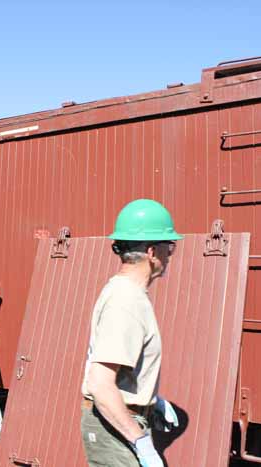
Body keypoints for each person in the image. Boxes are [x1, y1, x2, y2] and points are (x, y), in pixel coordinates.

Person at [81, 199, 182, 467]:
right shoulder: (126, 301)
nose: (170, 254)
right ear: (152, 251)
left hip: (121, 420)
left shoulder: (125, 293)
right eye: (168, 247)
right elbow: (100, 384)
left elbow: (119, 370)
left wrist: (151, 399)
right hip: (116, 429)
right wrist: (143, 445)